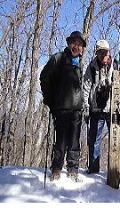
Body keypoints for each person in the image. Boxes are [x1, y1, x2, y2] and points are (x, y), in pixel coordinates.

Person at [40, 31, 86, 181]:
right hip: (61, 108)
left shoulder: (79, 63)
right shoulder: (58, 58)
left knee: (74, 141)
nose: (76, 46)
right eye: (74, 43)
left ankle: (73, 169)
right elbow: (44, 77)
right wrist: (49, 99)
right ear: (68, 43)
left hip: (77, 109)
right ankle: (56, 168)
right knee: (60, 141)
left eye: (79, 44)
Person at [82, 39, 120, 176]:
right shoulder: (92, 67)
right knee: (94, 139)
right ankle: (94, 170)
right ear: (96, 53)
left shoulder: (117, 66)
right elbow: (86, 87)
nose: (103, 55)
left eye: (105, 52)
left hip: (112, 109)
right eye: (100, 52)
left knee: (117, 139)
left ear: (109, 52)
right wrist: (86, 106)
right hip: (96, 109)